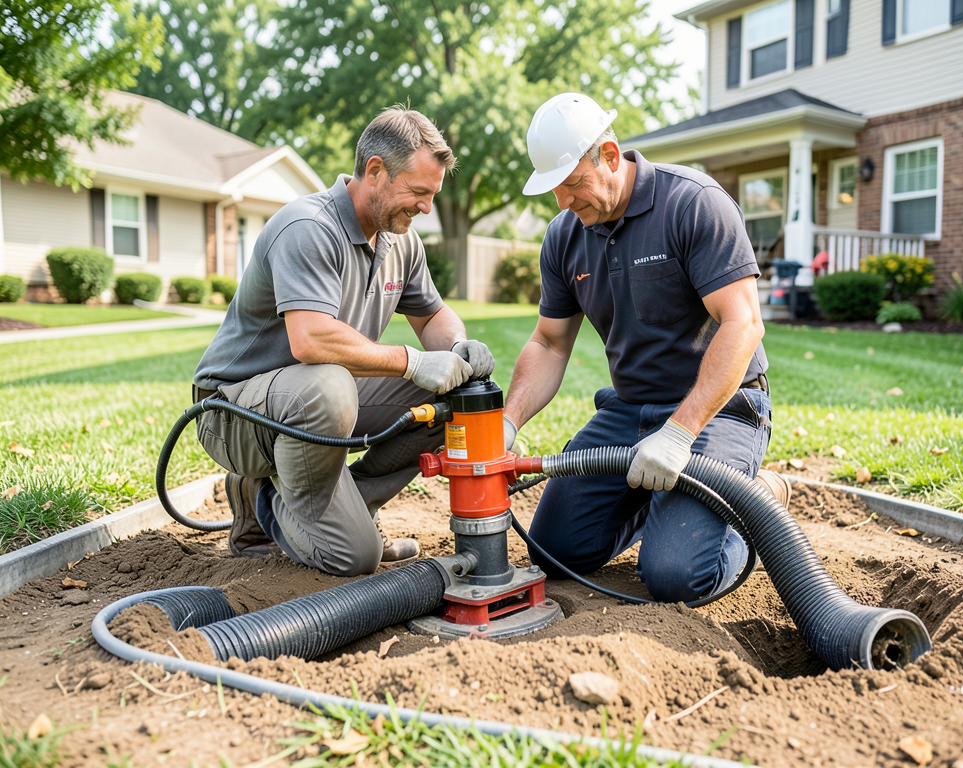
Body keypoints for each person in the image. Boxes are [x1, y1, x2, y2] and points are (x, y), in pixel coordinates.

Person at [502, 93, 790, 604]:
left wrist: (679, 435)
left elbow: (743, 324)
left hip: (720, 412)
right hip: (629, 412)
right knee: (551, 555)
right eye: (554, 190)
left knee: (677, 578)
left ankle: (758, 498)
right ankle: (662, 503)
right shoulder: (564, 237)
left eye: (572, 184)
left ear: (610, 156)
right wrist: (508, 421)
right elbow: (549, 342)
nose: (563, 202)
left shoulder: (693, 202)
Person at [192, 106, 494, 576]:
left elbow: (432, 313)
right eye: (418, 192)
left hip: (317, 398)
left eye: (432, 195)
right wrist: (412, 362)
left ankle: (350, 509)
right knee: (353, 557)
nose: (426, 208)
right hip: (235, 412)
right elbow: (310, 340)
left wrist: (457, 347)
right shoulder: (309, 227)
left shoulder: (400, 241)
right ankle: (264, 496)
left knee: (454, 395)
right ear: (375, 171)